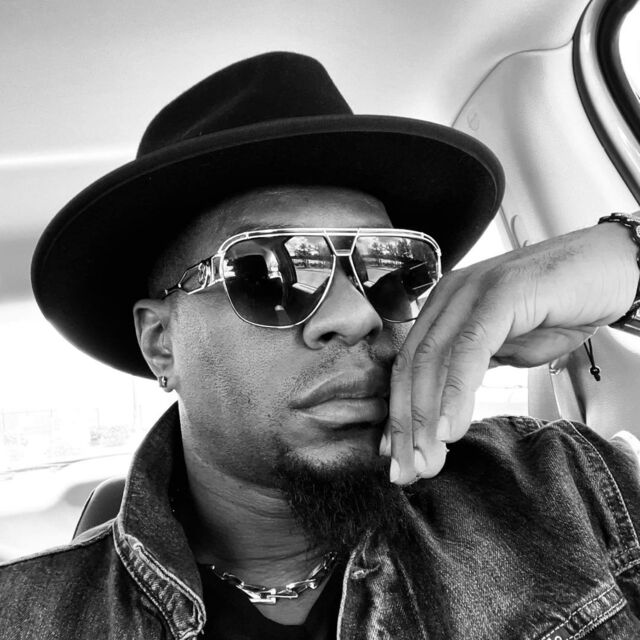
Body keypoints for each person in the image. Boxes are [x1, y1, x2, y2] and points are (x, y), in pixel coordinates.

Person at [2, 51, 640, 639]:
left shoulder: (568, 489)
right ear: (161, 343)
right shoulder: (26, 615)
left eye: (388, 270)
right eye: (269, 274)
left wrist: (631, 258)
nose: (357, 315)